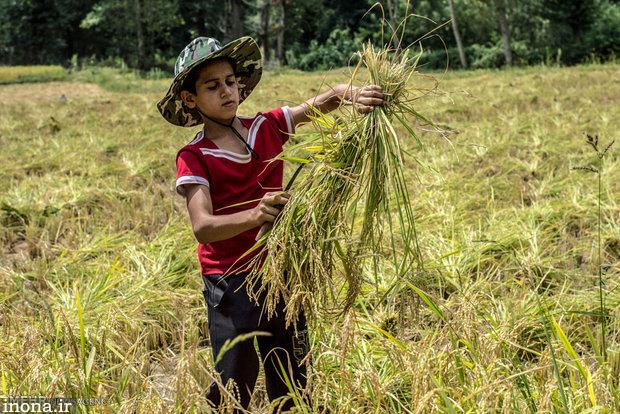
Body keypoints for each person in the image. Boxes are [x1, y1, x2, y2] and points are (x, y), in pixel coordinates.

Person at [157, 36, 384, 413]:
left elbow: (320, 104)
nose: (227, 91)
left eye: (231, 81)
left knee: (293, 375)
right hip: (231, 284)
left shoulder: (266, 127)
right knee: (235, 380)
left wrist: (350, 92)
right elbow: (203, 226)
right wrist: (256, 215)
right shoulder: (194, 157)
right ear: (189, 99)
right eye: (212, 87)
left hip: (279, 272)